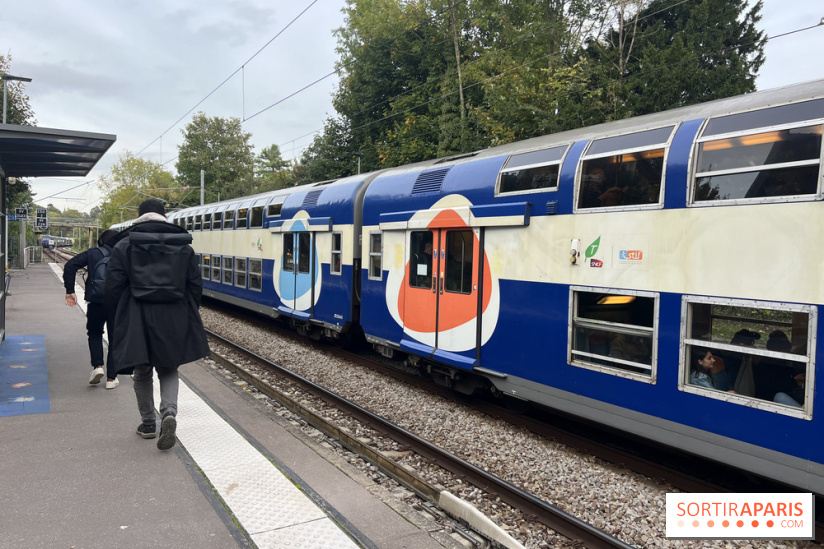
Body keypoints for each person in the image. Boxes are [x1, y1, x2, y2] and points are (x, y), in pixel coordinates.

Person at [105, 199, 210, 450]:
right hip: (174, 314)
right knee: (168, 367)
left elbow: (113, 287)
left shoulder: (124, 245)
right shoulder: (183, 247)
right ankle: (169, 413)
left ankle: (148, 424)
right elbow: (195, 285)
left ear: (139, 216)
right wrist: (187, 312)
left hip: (136, 314)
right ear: (164, 216)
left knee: (142, 371)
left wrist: (117, 316)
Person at [63, 229, 120, 389]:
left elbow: (70, 266)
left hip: (96, 301)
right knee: (115, 339)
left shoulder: (93, 253)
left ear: (101, 241)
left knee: (94, 333)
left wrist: (70, 291)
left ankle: (98, 366)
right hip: (117, 303)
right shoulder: (123, 254)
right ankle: (111, 379)